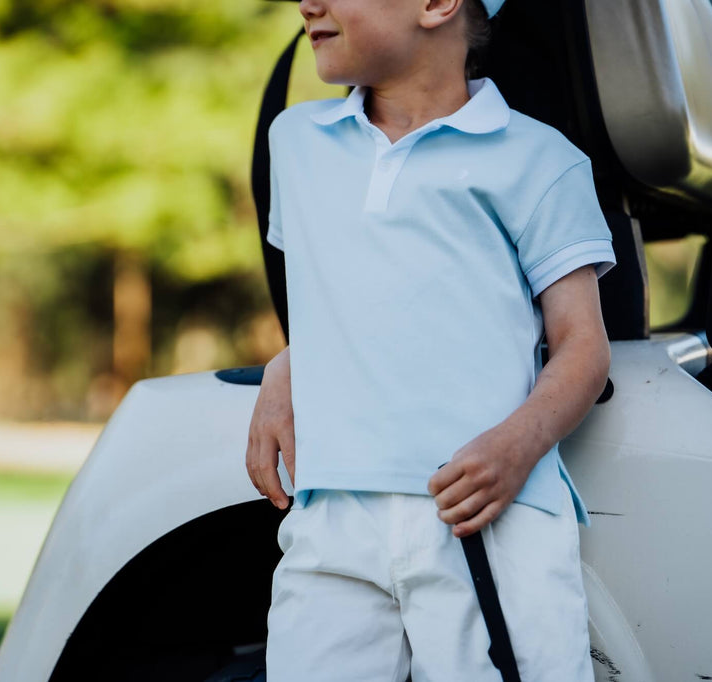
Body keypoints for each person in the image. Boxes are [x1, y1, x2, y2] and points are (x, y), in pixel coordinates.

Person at [245, 0, 614, 678]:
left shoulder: (541, 160)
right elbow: (344, 300)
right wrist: (286, 369)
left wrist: (517, 445)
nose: (308, 3)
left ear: (437, 5)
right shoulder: (295, 143)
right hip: (330, 520)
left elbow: (583, 346)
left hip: (484, 518)